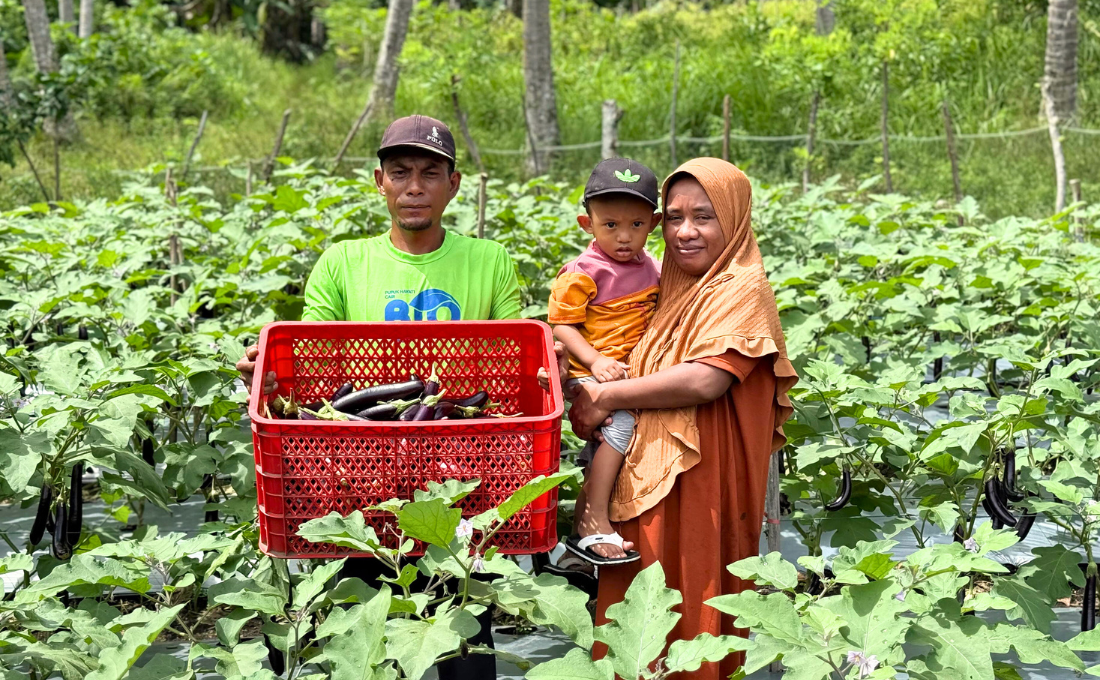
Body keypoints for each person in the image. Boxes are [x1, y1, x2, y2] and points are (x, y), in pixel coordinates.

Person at [236, 114, 566, 680]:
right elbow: (313, 370)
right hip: (357, 476)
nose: (415, 186)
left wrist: (549, 366)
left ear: (454, 184)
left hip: (462, 473)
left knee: (465, 634)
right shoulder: (342, 261)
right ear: (379, 181)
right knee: (359, 634)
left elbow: (517, 361)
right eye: (401, 172)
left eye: (430, 173)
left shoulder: (489, 260)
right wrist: (268, 378)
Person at [568, 158, 798, 679]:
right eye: (673, 218)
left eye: (704, 216)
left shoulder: (741, 287)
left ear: (736, 218)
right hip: (645, 480)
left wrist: (605, 397)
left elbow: (705, 380)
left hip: (704, 487)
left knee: (697, 611)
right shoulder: (667, 288)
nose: (685, 232)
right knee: (636, 627)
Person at [547, 158, 662, 566]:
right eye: (610, 225)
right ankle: (593, 519)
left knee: (624, 434)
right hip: (586, 374)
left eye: (636, 224)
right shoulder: (582, 271)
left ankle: (584, 523)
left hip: (626, 374)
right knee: (625, 423)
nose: (624, 236)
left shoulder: (653, 268)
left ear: (654, 223)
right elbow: (561, 326)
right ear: (587, 224)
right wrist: (594, 362)